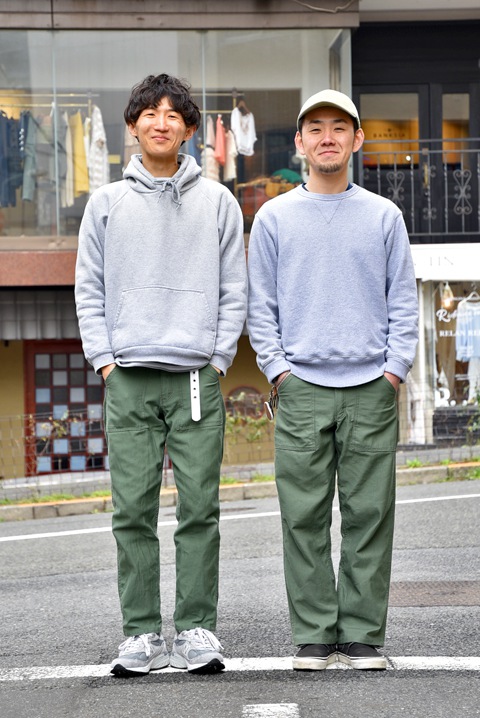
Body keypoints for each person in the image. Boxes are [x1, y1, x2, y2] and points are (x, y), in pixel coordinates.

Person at [75, 74, 247, 677]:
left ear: (190, 129)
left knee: (200, 510)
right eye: (150, 113)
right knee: (132, 512)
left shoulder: (218, 202)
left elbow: (234, 288)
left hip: (196, 375)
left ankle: (197, 629)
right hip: (128, 375)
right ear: (132, 126)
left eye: (174, 114)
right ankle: (141, 633)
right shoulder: (106, 203)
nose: (161, 122)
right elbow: (88, 288)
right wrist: (105, 360)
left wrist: (218, 357)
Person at [247, 89, 418, 671]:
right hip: (300, 387)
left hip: (372, 384)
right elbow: (260, 307)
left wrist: (393, 371)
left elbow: (404, 302)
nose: (327, 137)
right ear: (300, 142)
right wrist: (278, 371)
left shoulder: (384, 216)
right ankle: (315, 633)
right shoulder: (274, 218)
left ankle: (364, 633)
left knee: (371, 513)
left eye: (339, 127)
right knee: (303, 516)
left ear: (357, 139)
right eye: (315, 128)